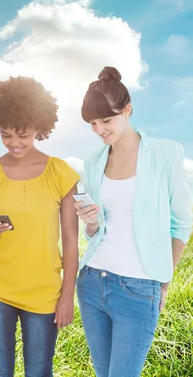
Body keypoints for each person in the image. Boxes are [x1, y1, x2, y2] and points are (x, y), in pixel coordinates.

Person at [75, 66, 191, 377]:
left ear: (127, 110)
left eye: (107, 120)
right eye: (93, 123)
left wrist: (162, 281)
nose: (100, 129)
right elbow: (94, 232)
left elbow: (180, 223)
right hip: (91, 282)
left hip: (139, 287)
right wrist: (90, 223)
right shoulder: (94, 160)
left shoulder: (165, 153)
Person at [0, 76, 80, 377]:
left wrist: (67, 295)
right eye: (6, 135)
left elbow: (71, 240)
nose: (15, 143)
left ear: (39, 128)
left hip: (44, 292)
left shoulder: (60, 173)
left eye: (24, 135)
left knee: (39, 371)